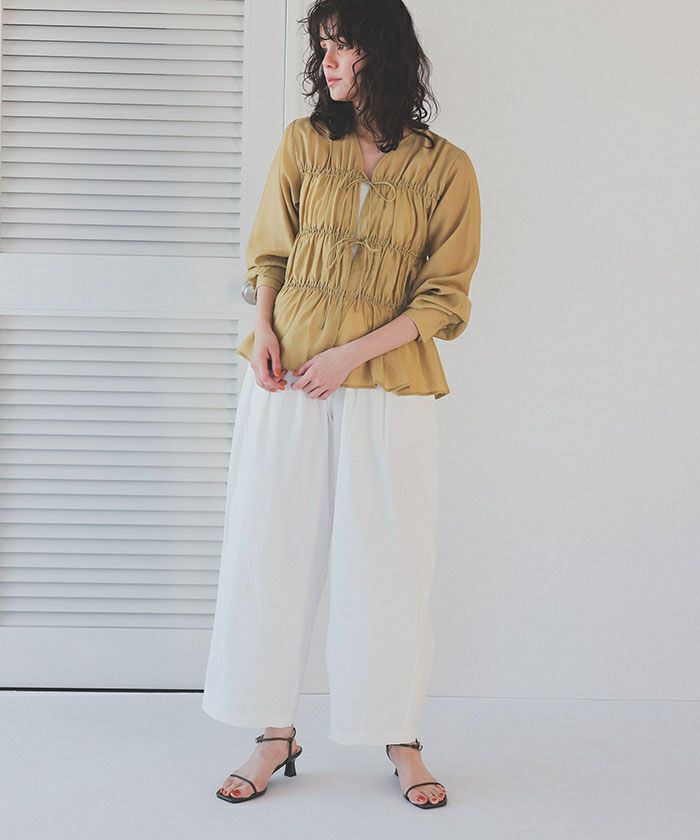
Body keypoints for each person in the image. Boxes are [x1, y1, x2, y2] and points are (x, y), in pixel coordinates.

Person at [202, 0, 481, 810]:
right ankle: (273, 732)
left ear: (381, 52)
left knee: (390, 559)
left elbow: (444, 296)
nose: (328, 60)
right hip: (287, 377)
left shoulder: (447, 168)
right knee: (269, 546)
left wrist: (350, 355)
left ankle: (400, 735)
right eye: (322, 44)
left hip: (386, 384)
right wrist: (264, 330)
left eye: (344, 44)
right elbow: (270, 253)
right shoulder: (303, 143)